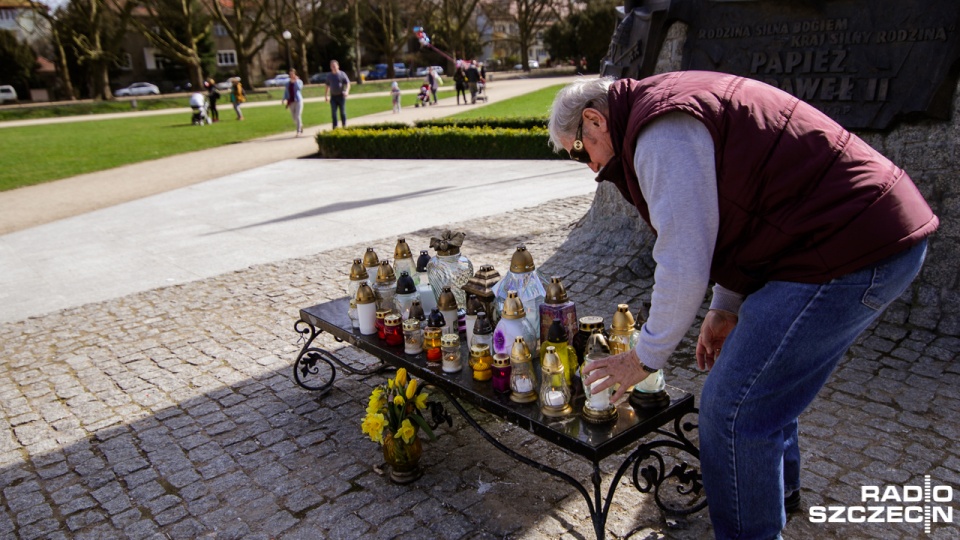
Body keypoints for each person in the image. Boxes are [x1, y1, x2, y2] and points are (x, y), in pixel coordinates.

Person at [548, 71, 938, 540]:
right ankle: (775, 493)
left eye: (579, 150)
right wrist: (727, 304)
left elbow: (683, 257)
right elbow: (740, 213)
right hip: (848, 232)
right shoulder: (661, 106)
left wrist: (642, 357)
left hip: (851, 244)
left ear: (594, 120)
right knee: (763, 380)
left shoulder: (658, 132)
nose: (590, 167)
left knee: (733, 409)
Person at [325, 60, 350, 128]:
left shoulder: (342, 74)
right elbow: (327, 86)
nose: (334, 67)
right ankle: (335, 127)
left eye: (335, 66)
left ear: (338, 66)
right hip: (333, 97)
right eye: (332, 66)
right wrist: (326, 96)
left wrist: (347, 91)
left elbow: (347, 83)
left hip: (341, 96)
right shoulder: (329, 76)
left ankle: (344, 126)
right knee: (334, 113)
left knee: (342, 112)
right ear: (331, 67)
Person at [282, 69, 305, 135]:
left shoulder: (299, 81)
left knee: (298, 115)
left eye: (293, 74)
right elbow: (286, 92)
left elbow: (299, 88)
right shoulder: (287, 83)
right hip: (291, 101)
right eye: (290, 74)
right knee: (294, 117)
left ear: (295, 74)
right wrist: (284, 99)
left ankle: (298, 131)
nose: (292, 75)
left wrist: (295, 81)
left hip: (298, 100)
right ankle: (300, 125)